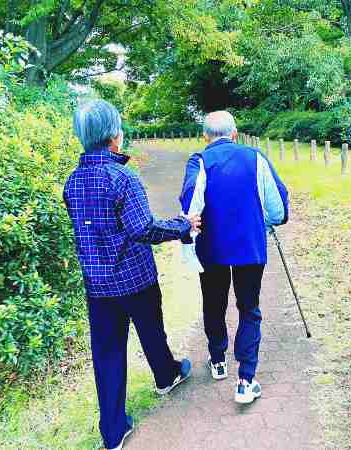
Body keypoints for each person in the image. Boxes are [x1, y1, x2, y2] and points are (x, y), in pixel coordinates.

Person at [63, 100, 200, 450]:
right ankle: (166, 376)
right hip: (135, 278)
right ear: (114, 136)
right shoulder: (122, 176)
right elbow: (143, 229)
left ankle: (112, 431)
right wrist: (182, 226)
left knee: (106, 353)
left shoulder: (73, 181)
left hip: (97, 285)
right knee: (152, 331)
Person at [179, 111, 289, 404]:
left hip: (211, 248)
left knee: (213, 303)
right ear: (235, 133)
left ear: (205, 137)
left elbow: (190, 205)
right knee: (248, 308)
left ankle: (218, 360)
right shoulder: (255, 157)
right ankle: (246, 380)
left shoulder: (199, 161)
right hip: (250, 248)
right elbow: (277, 209)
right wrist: (265, 222)